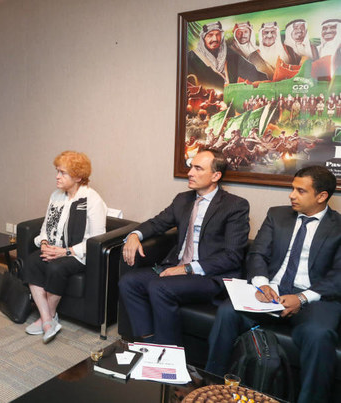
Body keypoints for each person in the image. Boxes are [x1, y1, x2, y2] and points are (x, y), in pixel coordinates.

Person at [205, 166, 341, 403]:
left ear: (321, 196)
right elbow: (257, 254)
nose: (291, 195)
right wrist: (261, 283)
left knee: (319, 335)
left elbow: (338, 274)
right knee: (227, 311)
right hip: (271, 291)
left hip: (314, 298)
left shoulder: (338, 227)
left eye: (300, 191)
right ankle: (212, 387)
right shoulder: (277, 215)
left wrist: (302, 298)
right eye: (292, 189)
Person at [120, 149, 249, 345]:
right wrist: (133, 236)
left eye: (198, 168)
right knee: (128, 281)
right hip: (177, 266)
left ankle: (169, 354)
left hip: (209, 275)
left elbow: (232, 256)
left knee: (159, 287)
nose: (190, 173)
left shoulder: (235, 206)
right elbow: (157, 223)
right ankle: (147, 341)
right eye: (191, 167)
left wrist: (187, 268)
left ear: (216, 176)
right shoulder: (183, 199)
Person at [23, 151, 107, 343]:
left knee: (56, 267)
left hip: (79, 254)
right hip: (56, 248)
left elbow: (96, 239)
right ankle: (47, 319)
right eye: (57, 171)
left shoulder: (92, 200)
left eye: (63, 173)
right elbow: (46, 226)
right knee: (33, 261)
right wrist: (44, 243)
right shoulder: (56, 196)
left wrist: (65, 252)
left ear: (78, 177)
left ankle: (48, 317)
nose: (57, 176)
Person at [187, 21, 267, 92]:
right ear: (203, 39)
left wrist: (263, 82)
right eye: (210, 35)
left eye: (217, 35)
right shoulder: (191, 58)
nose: (215, 39)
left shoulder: (230, 54)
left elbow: (251, 71)